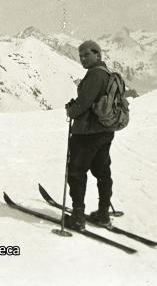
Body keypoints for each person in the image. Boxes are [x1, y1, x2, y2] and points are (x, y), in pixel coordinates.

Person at [61, 40, 117, 231]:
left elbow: (84, 103)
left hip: (86, 133)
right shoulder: (108, 74)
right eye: (81, 56)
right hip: (105, 131)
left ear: (98, 55)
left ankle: (77, 217)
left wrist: (72, 110)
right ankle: (103, 213)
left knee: (77, 172)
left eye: (86, 55)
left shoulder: (95, 74)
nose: (83, 59)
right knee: (102, 171)